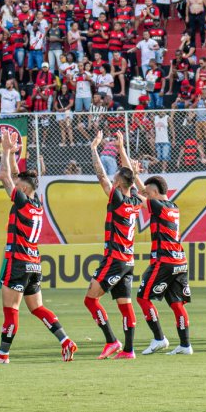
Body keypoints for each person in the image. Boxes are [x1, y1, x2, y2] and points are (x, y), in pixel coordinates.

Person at [0, 133, 78, 364]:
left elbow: (5, 177)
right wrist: (12, 154)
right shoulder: (36, 203)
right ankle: (65, 341)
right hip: (34, 262)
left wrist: (5, 151)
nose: (14, 187)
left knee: (11, 309)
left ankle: (3, 354)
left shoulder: (22, 201)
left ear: (23, 190)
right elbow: (15, 176)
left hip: (18, 261)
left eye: (18, 187)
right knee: (37, 307)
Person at [123, 132, 193, 356]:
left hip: (164, 261)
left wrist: (131, 171)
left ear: (153, 193)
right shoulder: (172, 206)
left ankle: (159, 338)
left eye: (148, 193)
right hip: (180, 261)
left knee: (142, 298)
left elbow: (136, 192)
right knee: (176, 303)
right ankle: (185, 345)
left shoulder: (157, 206)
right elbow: (144, 190)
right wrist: (137, 175)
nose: (146, 194)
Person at [85, 130, 143, 360]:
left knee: (90, 300)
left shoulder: (117, 198)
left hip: (115, 259)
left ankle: (112, 341)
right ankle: (129, 350)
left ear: (117, 182)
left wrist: (93, 149)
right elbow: (130, 176)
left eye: (115, 177)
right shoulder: (134, 199)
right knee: (125, 305)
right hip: (128, 260)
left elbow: (101, 176)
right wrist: (122, 149)